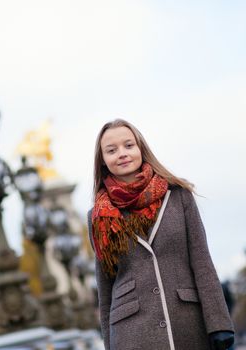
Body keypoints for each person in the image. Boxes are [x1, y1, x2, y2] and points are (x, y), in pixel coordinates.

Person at [87, 119, 234, 350]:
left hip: (187, 324)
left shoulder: (179, 197)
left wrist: (219, 323)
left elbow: (202, 262)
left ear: (140, 149)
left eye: (128, 145)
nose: (122, 154)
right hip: (131, 334)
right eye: (111, 150)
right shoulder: (97, 217)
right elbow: (105, 288)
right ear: (103, 161)